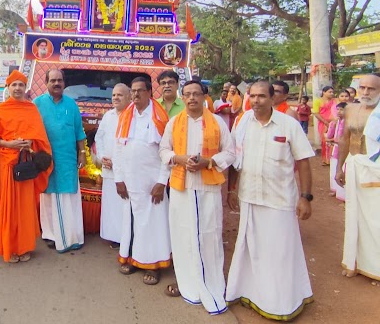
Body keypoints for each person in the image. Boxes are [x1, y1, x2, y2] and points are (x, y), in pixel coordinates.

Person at [226, 80, 315, 321]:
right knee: (251, 249)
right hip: (250, 196)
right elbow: (234, 158)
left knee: (279, 252)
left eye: (262, 96)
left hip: (280, 199)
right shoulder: (242, 122)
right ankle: (249, 293)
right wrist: (231, 189)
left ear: (272, 97)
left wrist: (306, 197)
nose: (256, 100)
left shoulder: (288, 124)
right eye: (253, 96)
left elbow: (304, 162)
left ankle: (281, 303)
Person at [159, 80, 235, 314]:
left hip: (207, 189)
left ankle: (212, 284)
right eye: (188, 94)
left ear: (204, 96)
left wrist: (208, 162)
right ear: (183, 97)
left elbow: (230, 153)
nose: (192, 98)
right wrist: (178, 159)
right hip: (181, 188)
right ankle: (189, 285)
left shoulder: (217, 123)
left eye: (196, 94)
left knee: (209, 236)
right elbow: (163, 150)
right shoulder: (174, 122)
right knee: (183, 236)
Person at [0, 70, 53, 263]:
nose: (17, 88)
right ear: (8, 88)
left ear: (25, 88)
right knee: (10, 206)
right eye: (13, 85)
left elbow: (40, 137)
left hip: (26, 163)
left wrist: (30, 142)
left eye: (21, 85)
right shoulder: (0, 110)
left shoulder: (31, 109)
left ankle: (24, 246)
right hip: (7, 164)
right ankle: (10, 247)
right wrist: (9, 144)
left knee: (25, 206)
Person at [113, 77, 171, 286]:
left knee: (152, 223)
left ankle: (153, 265)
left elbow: (167, 151)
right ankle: (132, 259)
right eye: (133, 91)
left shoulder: (159, 117)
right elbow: (118, 149)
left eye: (140, 90)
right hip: (130, 181)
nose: (136, 94)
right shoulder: (126, 116)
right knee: (132, 222)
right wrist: (119, 179)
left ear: (149, 93)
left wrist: (162, 182)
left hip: (152, 183)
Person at [34, 69, 86, 253]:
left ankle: (72, 235)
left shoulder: (71, 104)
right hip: (45, 158)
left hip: (67, 159)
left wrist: (82, 153)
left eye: (60, 80)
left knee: (69, 196)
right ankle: (50, 234)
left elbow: (79, 131)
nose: (56, 83)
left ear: (64, 83)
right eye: (53, 80)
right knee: (48, 197)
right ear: (46, 83)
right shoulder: (37, 103)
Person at [336, 74, 380, 283]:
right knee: (355, 218)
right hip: (355, 167)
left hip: (376, 170)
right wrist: (339, 168)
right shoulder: (351, 109)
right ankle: (356, 263)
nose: (365, 92)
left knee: (376, 220)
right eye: (362, 87)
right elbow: (345, 139)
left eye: (371, 88)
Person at [94, 83, 131, 248]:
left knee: (124, 204)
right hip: (108, 168)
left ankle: (126, 237)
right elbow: (99, 138)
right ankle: (114, 237)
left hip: (126, 170)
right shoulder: (108, 116)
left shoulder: (133, 116)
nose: (116, 98)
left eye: (120, 95)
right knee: (111, 205)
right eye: (114, 95)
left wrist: (117, 162)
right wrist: (103, 157)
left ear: (129, 97)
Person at [325, 102, 346, 200]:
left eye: (342, 109)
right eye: (338, 109)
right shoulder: (335, 122)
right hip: (335, 149)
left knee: (343, 170)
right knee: (334, 169)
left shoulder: (347, 123)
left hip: (344, 149)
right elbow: (329, 136)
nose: (339, 112)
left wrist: (333, 140)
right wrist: (332, 125)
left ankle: (344, 194)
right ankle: (336, 190)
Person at [313, 85, 336, 165]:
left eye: (332, 92)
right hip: (323, 123)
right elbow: (316, 113)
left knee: (333, 140)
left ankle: (332, 158)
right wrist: (325, 122)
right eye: (330, 92)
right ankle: (325, 159)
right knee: (324, 141)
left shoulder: (335, 101)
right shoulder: (318, 101)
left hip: (334, 123)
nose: (332, 93)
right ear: (324, 92)